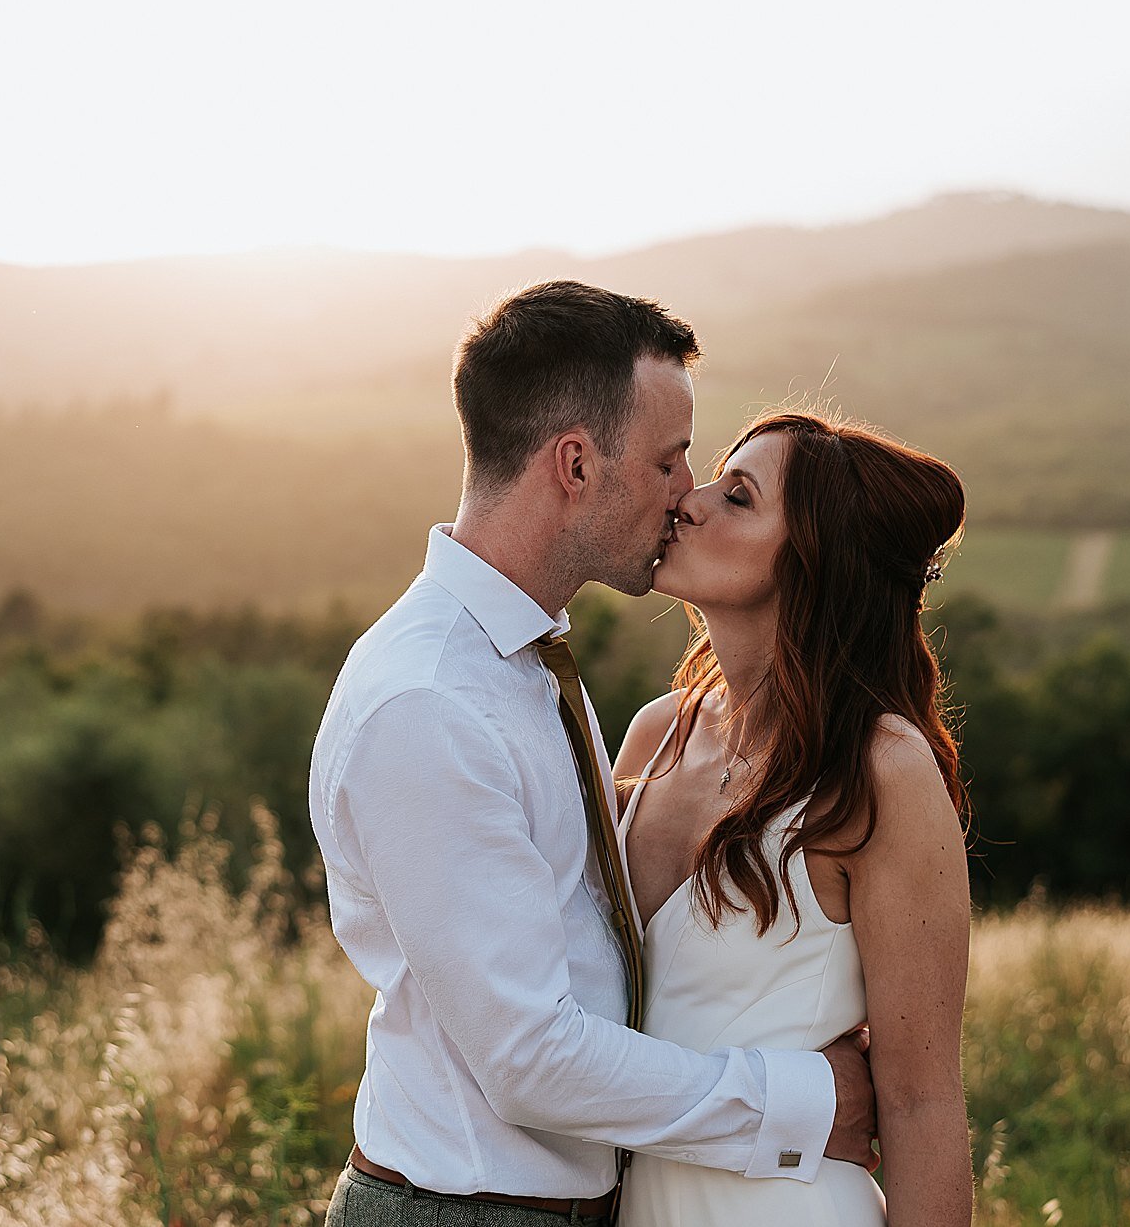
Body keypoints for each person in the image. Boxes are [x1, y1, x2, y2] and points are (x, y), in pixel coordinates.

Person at [309, 282, 877, 1227]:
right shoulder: (431, 702)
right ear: (575, 463)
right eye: (667, 459)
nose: (685, 492)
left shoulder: (523, 664)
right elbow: (530, 1057)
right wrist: (805, 1100)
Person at [615, 410, 973, 1226]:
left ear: (814, 560)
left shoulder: (880, 772)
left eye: (737, 496)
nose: (689, 502)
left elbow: (921, 1103)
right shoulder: (653, 734)